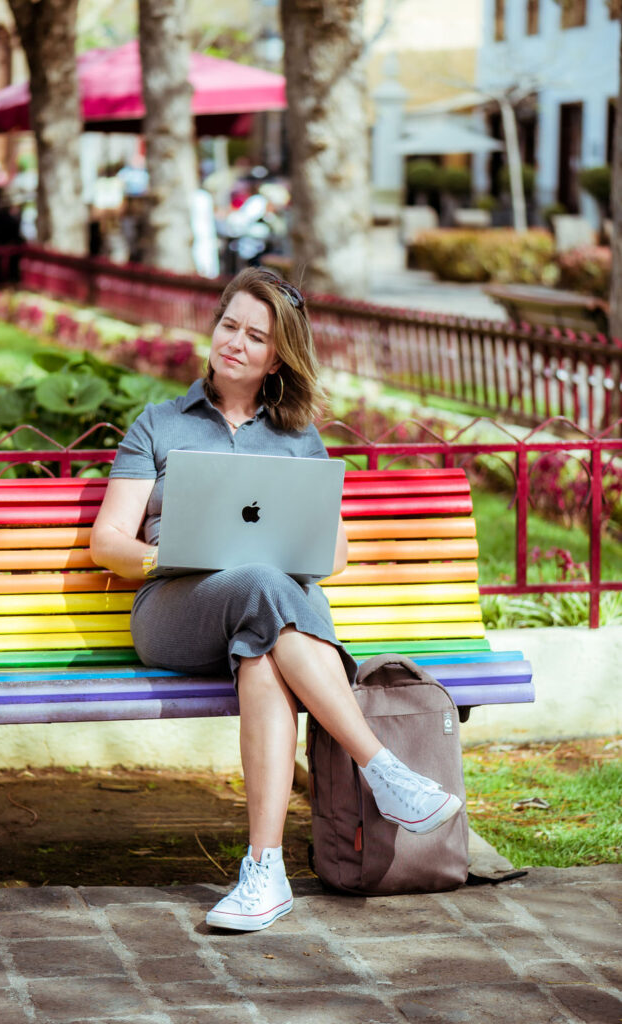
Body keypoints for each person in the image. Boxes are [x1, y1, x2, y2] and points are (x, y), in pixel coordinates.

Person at [89, 268, 462, 932]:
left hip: (262, 626)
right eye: (228, 324)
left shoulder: (297, 437)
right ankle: (381, 769)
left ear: (276, 357)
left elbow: (337, 552)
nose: (234, 342)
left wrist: (289, 556)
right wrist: (162, 556)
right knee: (264, 582)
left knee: (261, 651)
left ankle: (264, 872)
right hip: (173, 612)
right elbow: (107, 542)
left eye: (254, 336)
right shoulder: (160, 423)